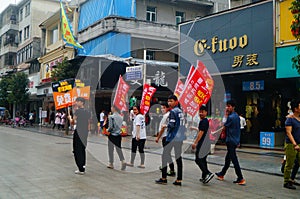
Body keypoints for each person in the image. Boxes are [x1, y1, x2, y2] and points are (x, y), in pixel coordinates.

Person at [155, 95, 185, 186]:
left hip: (172, 138)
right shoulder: (181, 112)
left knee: (164, 156)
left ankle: (164, 178)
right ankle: (179, 179)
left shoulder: (173, 112)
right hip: (180, 138)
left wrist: (165, 126)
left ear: (176, 101)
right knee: (178, 158)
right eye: (168, 101)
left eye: (171, 101)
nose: (169, 103)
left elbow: (171, 125)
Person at [215, 99, 246, 185]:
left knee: (234, 159)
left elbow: (224, 127)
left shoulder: (231, 117)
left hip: (231, 141)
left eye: (229, 106)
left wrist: (215, 134)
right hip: (235, 140)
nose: (227, 108)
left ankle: (240, 178)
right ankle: (222, 174)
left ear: (233, 107)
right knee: (228, 158)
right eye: (227, 106)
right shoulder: (236, 116)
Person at [191, 104, 214, 184]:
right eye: (199, 112)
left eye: (202, 112)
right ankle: (204, 176)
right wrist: (194, 128)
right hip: (206, 143)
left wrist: (195, 143)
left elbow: (201, 133)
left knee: (198, 159)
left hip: (203, 144)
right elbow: (201, 130)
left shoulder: (203, 121)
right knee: (203, 160)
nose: (200, 113)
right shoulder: (205, 121)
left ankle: (208, 173)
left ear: (206, 112)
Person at [68, 97, 90, 175]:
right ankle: (83, 167)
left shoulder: (77, 112)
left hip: (78, 132)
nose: (76, 103)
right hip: (85, 132)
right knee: (82, 149)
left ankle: (80, 168)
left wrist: (70, 118)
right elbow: (88, 122)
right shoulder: (87, 112)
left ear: (82, 102)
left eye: (77, 101)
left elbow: (73, 122)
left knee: (77, 150)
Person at [283, 99, 300, 189]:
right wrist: (294, 144)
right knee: (290, 163)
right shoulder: (290, 119)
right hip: (291, 144)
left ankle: (292, 179)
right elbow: (289, 133)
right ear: (296, 108)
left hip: (299, 143)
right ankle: (286, 182)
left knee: (297, 162)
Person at [155, 103, 175, 177]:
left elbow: (163, 128)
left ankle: (170, 169)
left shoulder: (166, 116)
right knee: (167, 153)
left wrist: (158, 137)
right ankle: (169, 168)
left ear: (167, 108)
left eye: (163, 108)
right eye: (161, 108)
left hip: (166, 137)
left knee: (166, 154)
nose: (162, 109)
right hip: (169, 137)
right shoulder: (169, 115)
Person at [107, 106, 126, 170]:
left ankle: (111, 163)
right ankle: (123, 160)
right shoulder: (121, 117)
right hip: (118, 135)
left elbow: (111, 127)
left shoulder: (111, 117)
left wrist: (107, 130)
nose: (111, 109)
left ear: (114, 108)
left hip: (112, 135)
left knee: (110, 149)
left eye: (111, 108)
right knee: (118, 149)